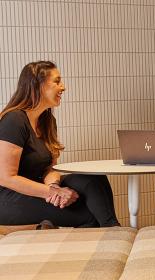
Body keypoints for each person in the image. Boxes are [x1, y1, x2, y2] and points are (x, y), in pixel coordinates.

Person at [0, 61, 119, 228]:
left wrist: (54, 186)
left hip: (41, 189)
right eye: (57, 81)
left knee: (93, 179)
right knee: (88, 214)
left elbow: (50, 168)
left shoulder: (47, 121)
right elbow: (6, 178)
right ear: (38, 85)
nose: (63, 87)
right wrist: (52, 192)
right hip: (9, 199)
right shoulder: (14, 120)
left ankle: (113, 229)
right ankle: (113, 234)